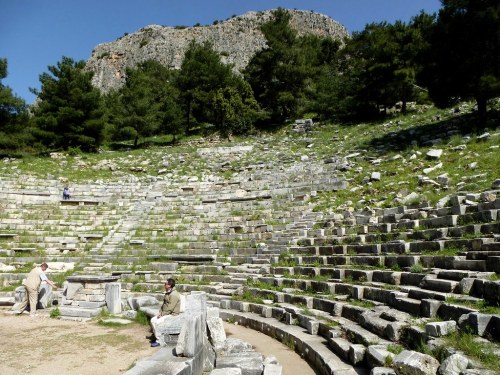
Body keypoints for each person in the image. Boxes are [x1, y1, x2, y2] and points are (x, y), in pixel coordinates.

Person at [149, 278, 181, 347]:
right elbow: (164, 304)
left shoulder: (174, 295)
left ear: (169, 285)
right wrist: (160, 311)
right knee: (152, 320)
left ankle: (159, 341)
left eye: (165, 284)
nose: (164, 285)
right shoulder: (168, 292)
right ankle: (156, 336)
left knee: (157, 322)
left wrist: (162, 314)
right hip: (166, 313)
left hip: (172, 314)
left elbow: (170, 308)